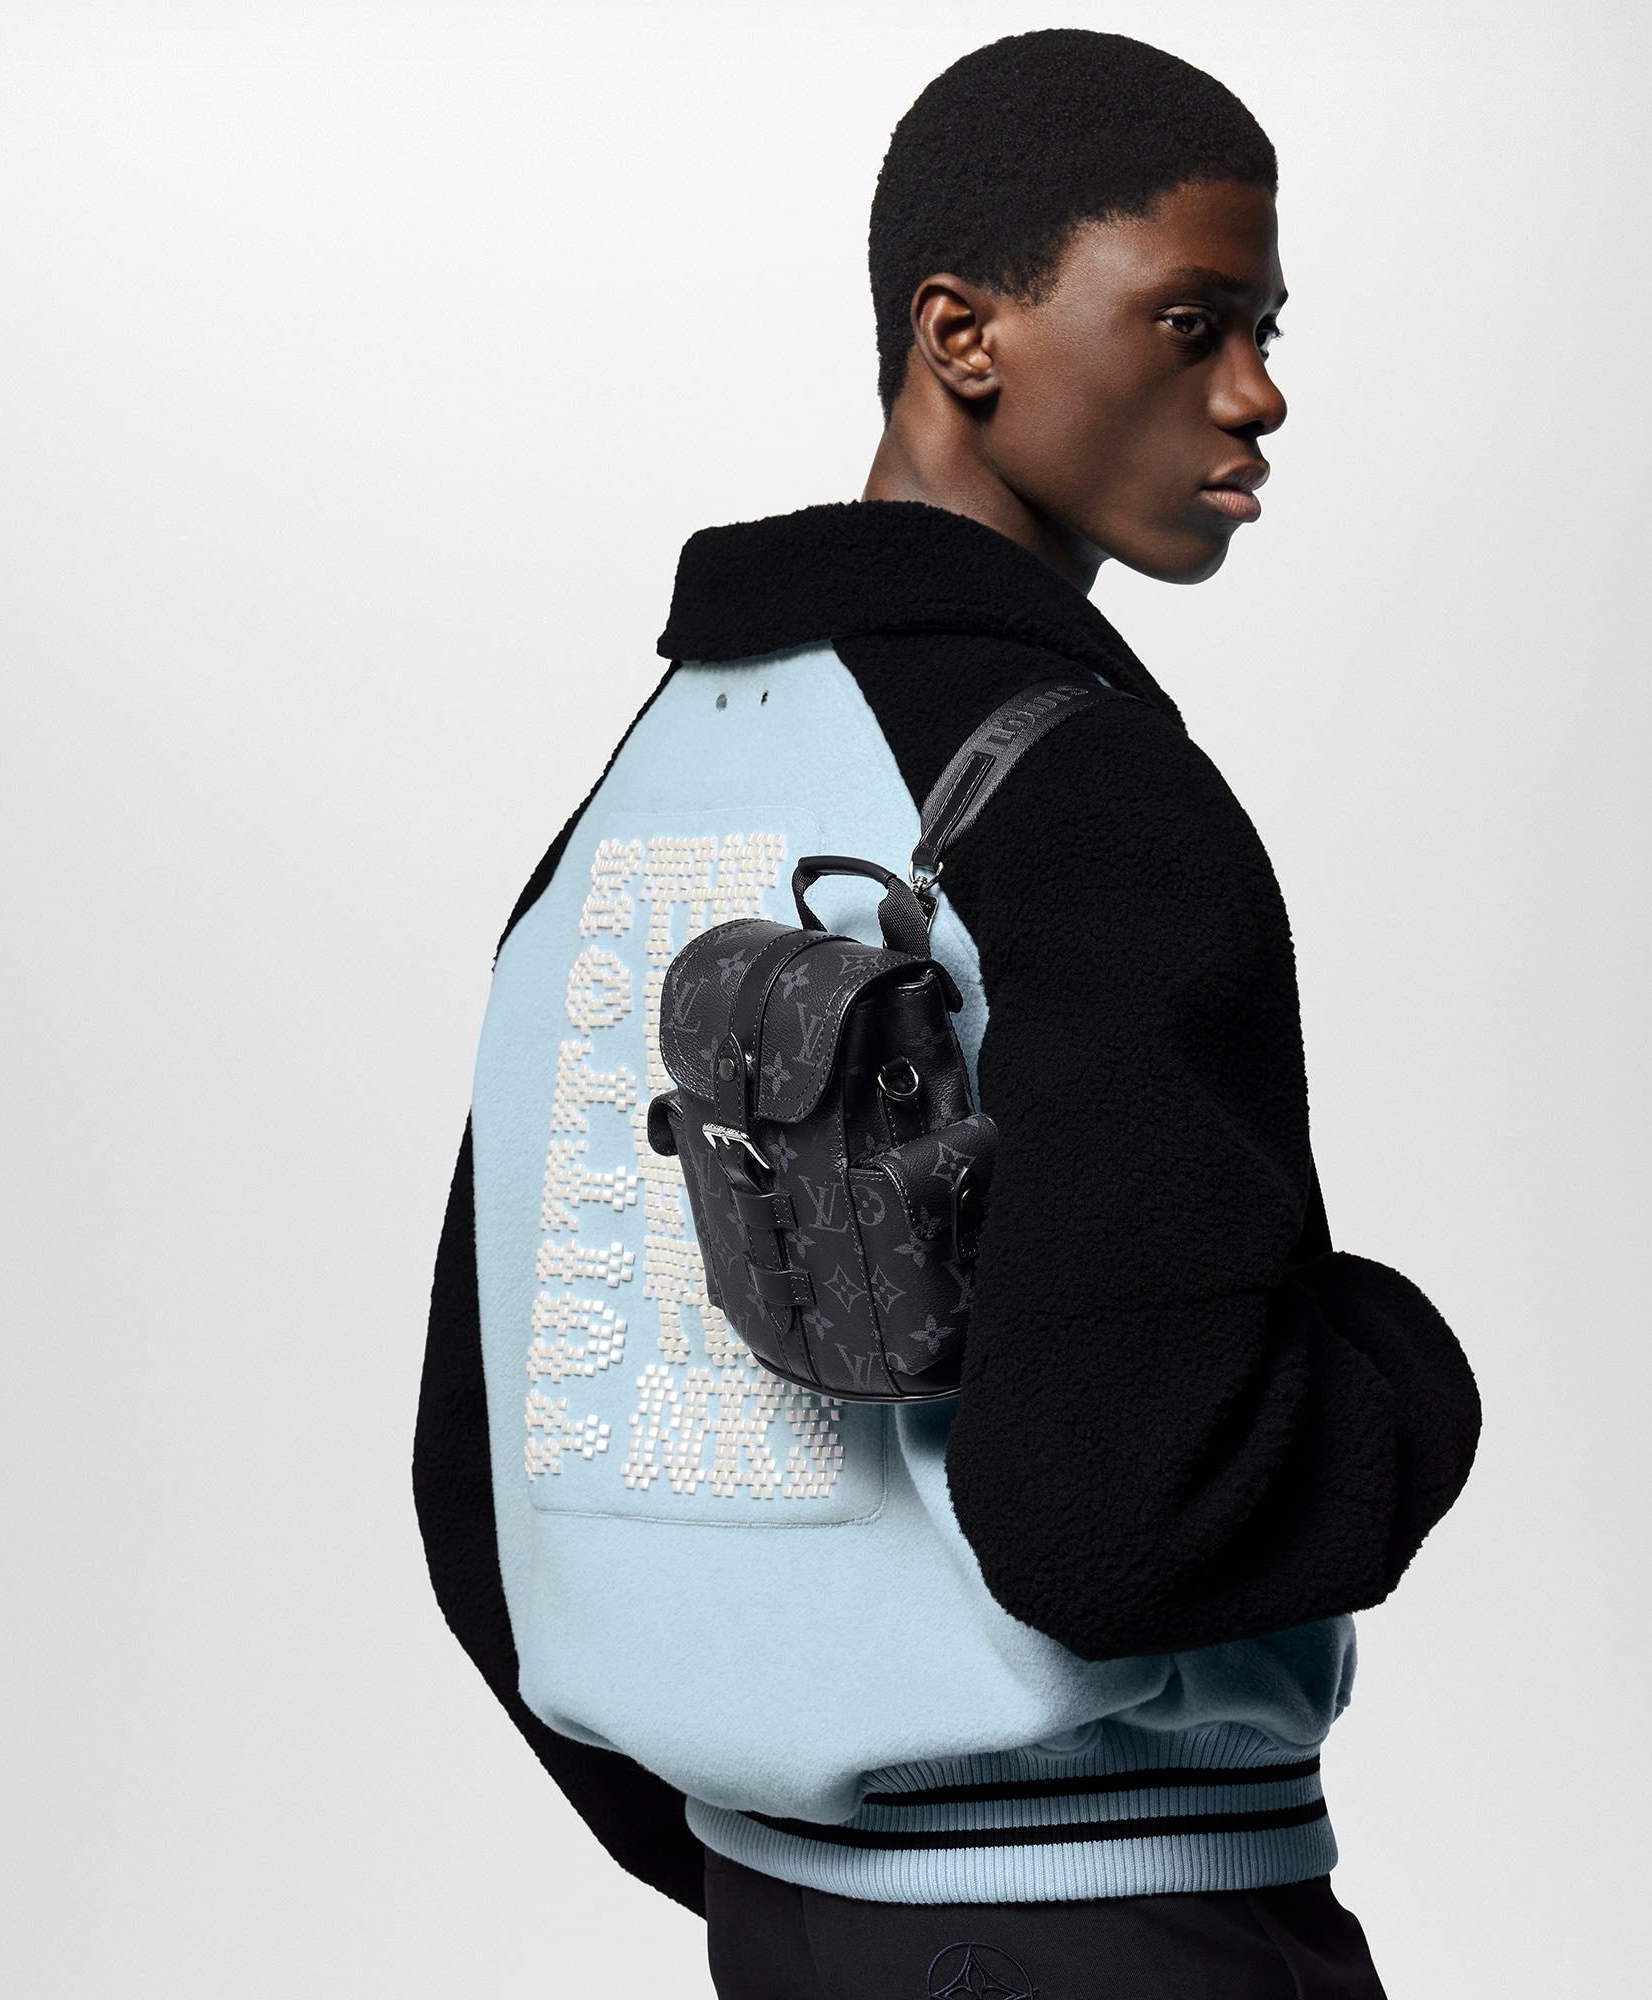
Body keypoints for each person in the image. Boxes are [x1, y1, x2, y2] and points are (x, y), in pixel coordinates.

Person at [413, 29, 1480, 1998]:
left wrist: (782, 1842)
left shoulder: (631, 798)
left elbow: (482, 1479)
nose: (1257, 392)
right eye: (1191, 323)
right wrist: (1415, 1380)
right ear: (961, 336)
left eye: (1264, 331)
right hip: (1127, 1922)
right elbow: (1119, 1522)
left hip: (786, 1924)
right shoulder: (1089, 794)